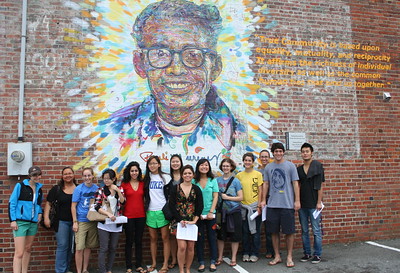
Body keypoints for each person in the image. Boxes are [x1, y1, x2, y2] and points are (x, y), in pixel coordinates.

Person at [109, 0, 245, 159]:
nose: (176, 70)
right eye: (160, 53)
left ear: (215, 67)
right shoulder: (114, 129)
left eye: (193, 55)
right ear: (139, 63)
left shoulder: (239, 132)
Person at [262, 142, 300, 268]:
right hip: (272, 205)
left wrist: (297, 200)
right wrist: (263, 200)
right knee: (273, 232)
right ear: (272, 153)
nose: (278, 153)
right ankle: (277, 256)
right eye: (276, 151)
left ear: (283, 152)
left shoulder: (290, 166)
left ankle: (289, 256)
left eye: (280, 151)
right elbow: (266, 184)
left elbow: (295, 184)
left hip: (287, 205)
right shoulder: (268, 167)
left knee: (289, 232)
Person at [169, 165, 203, 273]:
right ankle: (181, 270)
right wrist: (180, 219)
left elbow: (200, 205)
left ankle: (187, 269)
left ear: (193, 175)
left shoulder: (196, 188)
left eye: (189, 173)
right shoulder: (176, 188)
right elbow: (171, 205)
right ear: (182, 175)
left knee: (191, 247)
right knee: (182, 247)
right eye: (185, 173)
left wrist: (195, 220)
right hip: (179, 221)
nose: (187, 175)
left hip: (192, 221)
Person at [8, 166, 43, 273]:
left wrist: (40, 213)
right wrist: (13, 220)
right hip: (20, 222)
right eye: (34, 175)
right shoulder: (20, 186)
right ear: (29, 176)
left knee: (28, 249)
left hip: (33, 223)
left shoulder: (39, 189)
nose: (37, 177)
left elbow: (38, 204)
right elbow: (12, 203)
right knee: (19, 253)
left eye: (38, 174)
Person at [44, 167, 77, 273]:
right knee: (63, 245)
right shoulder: (57, 189)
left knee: (71, 247)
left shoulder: (78, 188)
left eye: (70, 173)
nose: (68, 176)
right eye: (65, 174)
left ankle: (66, 269)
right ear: (62, 176)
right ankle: (60, 270)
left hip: (75, 222)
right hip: (61, 221)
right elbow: (48, 203)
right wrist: (46, 218)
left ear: (73, 175)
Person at [297, 143, 325, 264]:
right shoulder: (299, 169)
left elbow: (320, 186)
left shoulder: (317, 166)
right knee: (304, 231)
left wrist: (319, 202)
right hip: (302, 205)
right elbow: (297, 186)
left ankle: (317, 254)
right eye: (303, 151)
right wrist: (297, 201)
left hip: (314, 204)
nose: (305, 153)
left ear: (311, 152)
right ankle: (307, 253)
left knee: (316, 230)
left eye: (307, 151)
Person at [94, 169, 125, 273]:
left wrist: (118, 191)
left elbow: (123, 201)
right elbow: (97, 206)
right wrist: (108, 214)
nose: (106, 180)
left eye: (108, 178)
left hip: (116, 222)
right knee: (104, 248)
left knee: (113, 247)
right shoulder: (101, 190)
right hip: (104, 222)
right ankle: (102, 270)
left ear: (114, 179)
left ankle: (109, 269)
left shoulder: (119, 189)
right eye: (105, 178)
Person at [144, 155, 172, 273]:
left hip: (162, 211)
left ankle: (165, 264)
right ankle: (154, 263)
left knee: (165, 238)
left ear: (159, 164)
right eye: (150, 164)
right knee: (153, 238)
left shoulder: (166, 177)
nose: (152, 165)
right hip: (150, 211)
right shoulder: (146, 178)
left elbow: (170, 195)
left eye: (155, 163)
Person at [236, 153, 263, 263]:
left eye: (249, 160)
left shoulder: (258, 174)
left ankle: (254, 253)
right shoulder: (239, 175)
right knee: (245, 232)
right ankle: (246, 252)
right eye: (245, 160)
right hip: (243, 208)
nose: (247, 162)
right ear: (243, 161)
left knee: (255, 232)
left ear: (253, 162)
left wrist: (259, 205)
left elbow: (260, 190)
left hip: (255, 207)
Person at [120, 161, 147, 273]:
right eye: (132, 171)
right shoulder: (124, 184)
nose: (134, 173)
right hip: (128, 216)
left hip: (141, 216)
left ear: (139, 171)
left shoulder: (142, 183)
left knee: (139, 241)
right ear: (129, 172)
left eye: (136, 170)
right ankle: (128, 266)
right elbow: (121, 201)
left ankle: (139, 265)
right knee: (129, 241)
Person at [193, 158, 219, 272]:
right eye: (202, 165)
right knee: (199, 239)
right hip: (198, 215)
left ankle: (213, 261)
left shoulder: (213, 180)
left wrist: (211, 211)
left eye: (206, 165)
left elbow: (216, 197)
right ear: (198, 167)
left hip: (210, 215)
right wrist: (196, 214)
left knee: (212, 238)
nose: (204, 167)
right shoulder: (194, 181)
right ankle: (201, 262)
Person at [216, 158, 243, 267]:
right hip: (220, 212)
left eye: (227, 166)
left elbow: (241, 197)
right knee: (220, 235)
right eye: (224, 166)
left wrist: (227, 197)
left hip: (234, 211)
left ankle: (233, 258)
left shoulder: (236, 181)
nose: (225, 168)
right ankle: (220, 257)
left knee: (234, 236)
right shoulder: (217, 180)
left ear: (231, 167)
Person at [71, 167, 99, 273]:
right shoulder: (79, 189)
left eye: (89, 175)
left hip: (92, 221)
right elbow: (73, 206)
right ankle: (79, 271)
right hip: (81, 221)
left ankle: (85, 269)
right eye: (85, 176)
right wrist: (75, 222)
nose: (87, 178)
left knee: (88, 247)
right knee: (79, 248)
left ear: (92, 176)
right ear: (82, 177)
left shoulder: (96, 188)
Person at [256, 150, 274, 259]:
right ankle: (256, 252)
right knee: (258, 228)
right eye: (262, 157)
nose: (264, 159)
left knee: (270, 228)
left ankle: (271, 250)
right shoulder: (257, 172)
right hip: (260, 201)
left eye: (266, 157)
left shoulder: (272, 169)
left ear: (269, 157)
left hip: (271, 200)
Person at [168, 154, 184, 270]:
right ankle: (174, 259)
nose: (175, 163)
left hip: (186, 211)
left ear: (181, 162)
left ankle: (182, 260)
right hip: (173, 211)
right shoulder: (167, 178)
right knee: (173, 236)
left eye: (177, 161)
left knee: (184, 237)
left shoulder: (186, 176)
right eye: (173, 161)